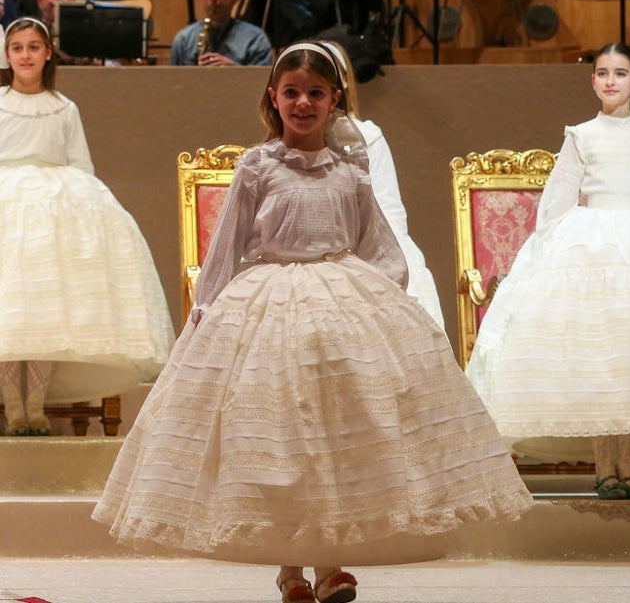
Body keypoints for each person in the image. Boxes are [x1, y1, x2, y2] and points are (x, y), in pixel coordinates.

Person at [93, 41, 533, 593]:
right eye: (292, 92)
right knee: (280, 434)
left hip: (339, 297)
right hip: (269, 304)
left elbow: (376, 242)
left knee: (333, 434)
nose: (303, 103)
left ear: (335, 99)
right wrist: (206, 306)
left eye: (315, 93)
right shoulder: (258, 166)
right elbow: (227, 243)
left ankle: (327, 564)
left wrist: (390, 300)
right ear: (274, 98)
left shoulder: (349, 170)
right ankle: (289, 567)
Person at [466, 42, 630, 499]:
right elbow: (558, 197)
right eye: (602, 73)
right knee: (601, 355)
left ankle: (628, 465)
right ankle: (605, 464)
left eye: (620, 73)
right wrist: (550, 249)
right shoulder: (581, 134)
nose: (611, 81)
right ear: (593, 80)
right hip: (591, 247)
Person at [0, 18, 175, 436]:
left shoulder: (64, 107)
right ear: (7, 55)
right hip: (7, 204)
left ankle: (35, 407)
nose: (25, 55)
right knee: (12, 309)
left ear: (48, 53)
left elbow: (80, 165)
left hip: (53, 209)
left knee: (43, 311)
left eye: (33, 47)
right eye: (17, 47)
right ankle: (11, 404)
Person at [322, 40, 446, 328]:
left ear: (344, 82)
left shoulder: (368, 136)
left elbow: (389, 207)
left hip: (364, 241)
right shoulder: (288, 142)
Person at [170, 0, 273, 66]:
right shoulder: (184, 38)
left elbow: (262, 80)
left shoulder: (255, 39)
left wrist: (234, 70)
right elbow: (171, 81)